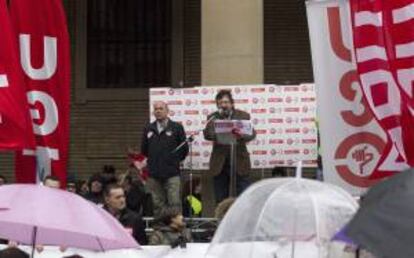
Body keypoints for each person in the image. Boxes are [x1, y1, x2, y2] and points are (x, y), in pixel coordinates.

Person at [203, 90, 256, 204]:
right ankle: (223, 220)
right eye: (220, 103)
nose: (223, 105)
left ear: (232, 103)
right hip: (220, 163)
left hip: (239, 161)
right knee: (220, 198)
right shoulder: (213, 117)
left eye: (226, 102)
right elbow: (207, 134)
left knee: (243, 196)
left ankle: (242, 221)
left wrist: (240, 134)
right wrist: (220, 130)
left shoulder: (243, 115)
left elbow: (251, 134)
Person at [141, 101, 189, 216]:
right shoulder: (148, 128)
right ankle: (160, 229)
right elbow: (144, 150)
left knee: (174, 203)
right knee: (157, 204)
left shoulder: (177, 127)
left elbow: (184, 149)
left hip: (172, 173)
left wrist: (172, 161)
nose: (158, 111)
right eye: (156, 109)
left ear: (167, 111)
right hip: (154, 174)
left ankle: (176, 230)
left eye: (161, 108)